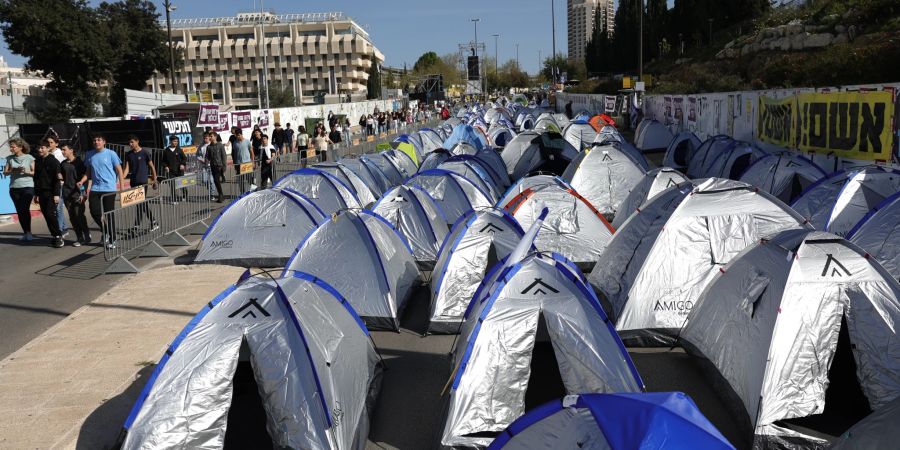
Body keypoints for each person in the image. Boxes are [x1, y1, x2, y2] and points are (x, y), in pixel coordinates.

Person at [79, 134, 124, 248]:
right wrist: (82, 180)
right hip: (95, 188)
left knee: (109, 214)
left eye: (99, 140)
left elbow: (119, 170)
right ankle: (107, 231)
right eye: (94, 140)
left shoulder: (111, 154)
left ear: (104, 142)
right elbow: (88, 172)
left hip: (109, 188)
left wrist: (122, 188)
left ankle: (113, 239)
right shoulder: (90, 154)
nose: (96, 142)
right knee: (94, 212)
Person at [123, 135, 159, 231]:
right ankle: (153, 222)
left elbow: (152, 167)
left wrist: (154, 180)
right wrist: (122, 178)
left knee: (140, 203)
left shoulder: (145, 153)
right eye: (129, 143)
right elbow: (126, 168)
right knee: (140, 203)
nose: (130, 144)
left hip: (143, 182)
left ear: (137, 141)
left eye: (132, 142)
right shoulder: (129, 154)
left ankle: (136, 226)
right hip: (133, 182)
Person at [4, 138, 36, 241]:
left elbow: (34, 172)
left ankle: (29, 232)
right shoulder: (9, 158)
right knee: (20, 211)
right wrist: (12, 170)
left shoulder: (29, 157)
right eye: (11, 147)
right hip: (14, 188)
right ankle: (25, 232)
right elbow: (5, 172)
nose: (11, 149)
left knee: (24, 209)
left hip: (27, 187)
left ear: (20, 147)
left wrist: (25, 171)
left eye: (13, 147)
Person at [33, 142, 64, 248]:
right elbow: (36, 179)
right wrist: (36, 194)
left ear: (48, 149)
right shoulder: (38, 161)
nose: (40, 150)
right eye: (39, 148)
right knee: (46, 215)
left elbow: (57, 179)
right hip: (41, 192)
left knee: (51, 214)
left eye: (42, 148)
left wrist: (56, 194)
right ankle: (54, 235)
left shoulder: (54, 161)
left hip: (51, 192)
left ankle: (59, 236)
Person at [59, 143, 89, 246]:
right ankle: (80, 237)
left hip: (77, 193)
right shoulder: (62, 164)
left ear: (71, 150)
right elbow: (61, 177)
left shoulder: (79, 162)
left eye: (64, 150)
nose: (62, 152)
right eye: (61, 150)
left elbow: (85, 178)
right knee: (72, 216)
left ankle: (87, 234)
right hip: (67, 193)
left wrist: (83, 193)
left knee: (79, 214)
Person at [46, 136, 68, 237]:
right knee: (57, 207)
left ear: (56, 144)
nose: (49, 144)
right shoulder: (46, 154)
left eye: (51, 142)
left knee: (58, 207)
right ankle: (64, 228)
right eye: (48, 143)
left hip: (59, 184)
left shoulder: (59, 154)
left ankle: (60, 230)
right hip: (50, 184)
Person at [160, 136, 187, 203]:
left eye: (177, 141)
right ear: (170, 141)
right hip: (171, 171)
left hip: (179, 171)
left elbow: (184, 158)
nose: (176, 143)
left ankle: (185, 195)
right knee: (172, 185)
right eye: (174, 141)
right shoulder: (166, 150)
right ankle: (174, 199)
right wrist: (166, 166)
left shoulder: (179, 150)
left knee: (182, 185)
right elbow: (163, 161)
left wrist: (182, 164)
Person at [231, 128, 254, 193]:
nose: (237, 137)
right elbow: (234, 153)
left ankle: (254, 190)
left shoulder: (247, 141)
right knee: (240, 180)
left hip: (247, 163)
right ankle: (242, 193)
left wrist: (253, 161)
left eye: (238, 135)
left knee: (249, 179)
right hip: (238, 164)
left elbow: (251, 151)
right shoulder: (235, 143)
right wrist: (235, 163)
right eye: (236, 135)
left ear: (241, 134)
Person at [207, 132, 227, 202]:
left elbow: (224, 156)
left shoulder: (220, 145)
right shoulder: (208, 147)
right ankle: (220, 194)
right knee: (216, 181)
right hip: (213, 166)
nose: (210, 138)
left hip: (220, 166)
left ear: (215, 137)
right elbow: (208, 157)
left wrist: (224, 166)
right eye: (209, 136)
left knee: (216, 180)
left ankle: (221, 195)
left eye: (211, 136)